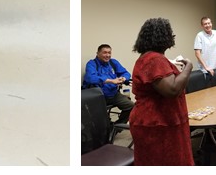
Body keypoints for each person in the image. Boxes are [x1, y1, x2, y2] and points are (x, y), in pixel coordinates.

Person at [130, 17, 194, 166]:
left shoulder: (150, 57)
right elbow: (172, 89)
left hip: (158, 121)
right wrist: (189, 67)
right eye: (170, 33)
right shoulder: (154, 59)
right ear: (162, 36)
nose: (172, 36)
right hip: (157, 124)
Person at [82, 44, 134, 123]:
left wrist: (123, 78)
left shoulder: (113, 62)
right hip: (98, 97)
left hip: (113, 94)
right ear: (98, 53)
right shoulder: (92, 64)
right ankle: (106, 129)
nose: (107, 55)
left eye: (109, 53)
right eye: (105, 53)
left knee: (131, 107)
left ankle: (115, 128)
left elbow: (125, 73)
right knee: (101, 121)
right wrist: (111, 81)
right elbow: (90, 78)